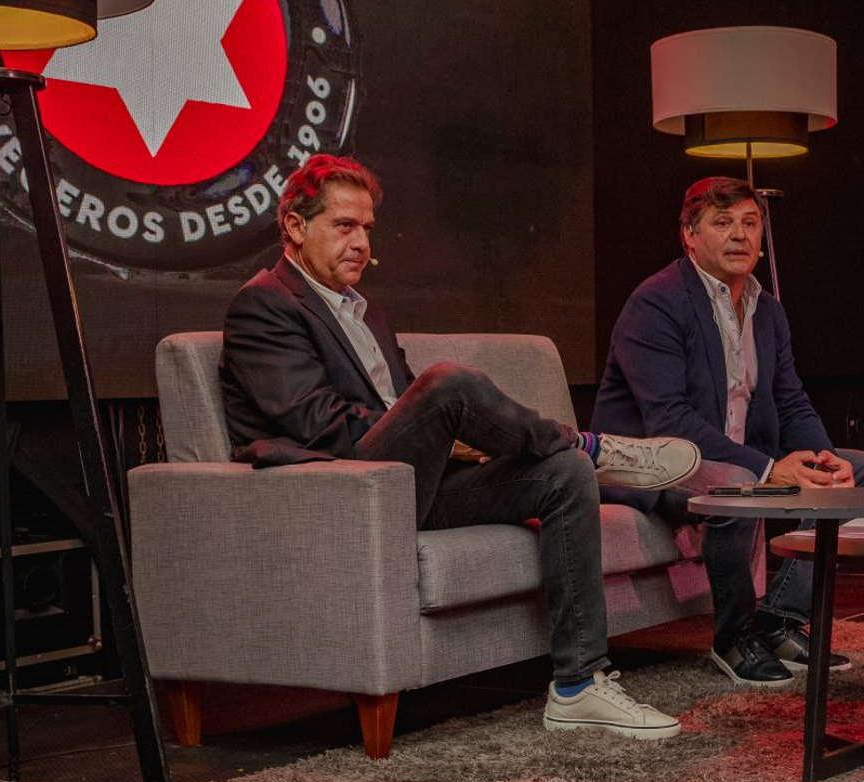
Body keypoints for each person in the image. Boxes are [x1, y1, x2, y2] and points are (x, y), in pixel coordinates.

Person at [220, 155, 700, 741]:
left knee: (564, 473)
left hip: (410, 482)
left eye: (367, 228)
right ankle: (595, 446)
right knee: (448, 384)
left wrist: (450, 442)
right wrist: (436, 425)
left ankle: (579, 685)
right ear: (296, 226)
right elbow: (316, 423)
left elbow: (397, 408)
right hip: (344, 492)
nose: (361, 243)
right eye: (344, 226)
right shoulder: (264, 304)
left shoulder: (365, 311)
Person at [593, 177, 864, 688]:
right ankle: (734, 635)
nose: (740, 235)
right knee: (736, 482)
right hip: (650, 463)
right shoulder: (656, 302)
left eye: (750, 223)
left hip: (738, 457)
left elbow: (790, 400)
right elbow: (669, 422)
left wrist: (822, 457)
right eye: (722, 223)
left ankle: (779, 620)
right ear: (690, 235)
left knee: (859, 470)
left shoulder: (768, 311)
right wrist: (769, 469)